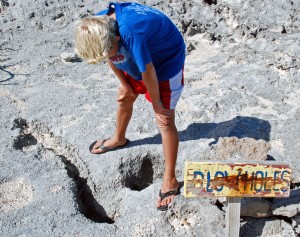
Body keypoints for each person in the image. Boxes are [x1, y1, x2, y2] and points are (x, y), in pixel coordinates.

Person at [75, 2, 185, 211]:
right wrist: (126, 86)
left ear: (116, 38)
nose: (108, 56)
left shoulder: (131, 34)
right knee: (124, 97)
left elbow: (149, 71)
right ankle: (119, 138)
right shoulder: (100, 25)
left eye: (110, 50)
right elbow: (110, 56)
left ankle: (170, 180)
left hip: (165, 58)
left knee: (164, 119)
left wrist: (158, 105)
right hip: (137, 52)